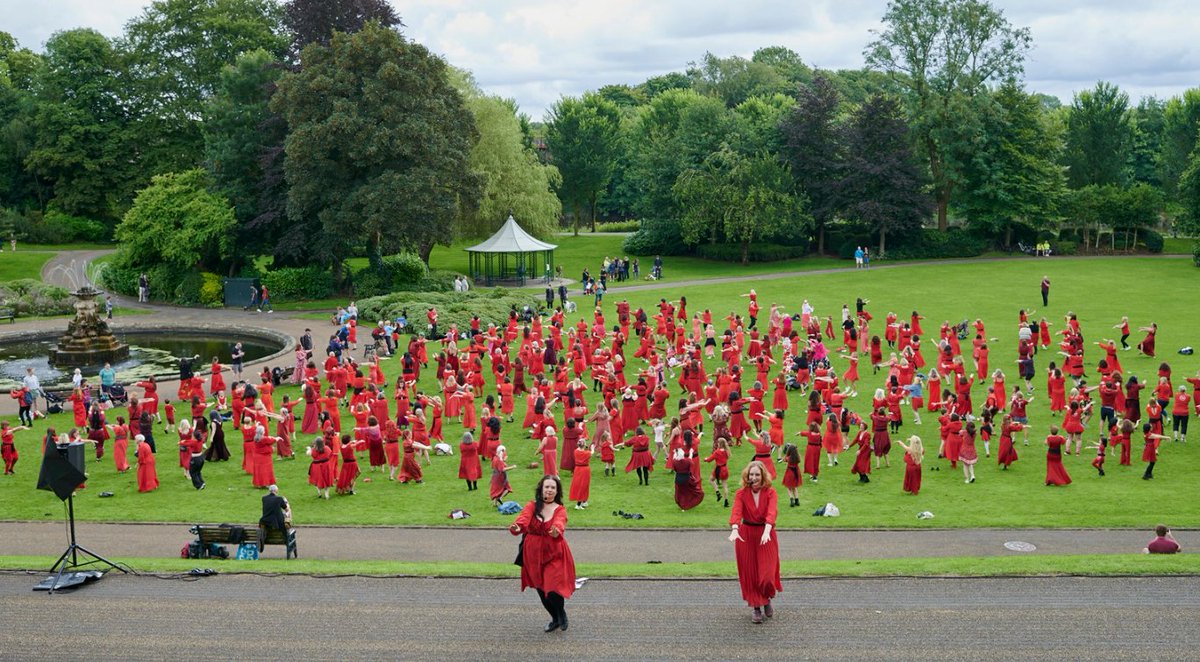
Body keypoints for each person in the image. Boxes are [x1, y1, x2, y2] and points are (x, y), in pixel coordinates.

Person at [509, 475, 577, 633]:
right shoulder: (532, 506)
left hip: (554, 552)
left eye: (553, 487)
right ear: (541, 489)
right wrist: (518, 527)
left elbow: (560, 522)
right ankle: (554, 619)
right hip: (532, 554)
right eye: (547, 487)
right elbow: (524, 519)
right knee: (541, 590)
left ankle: (562, 614)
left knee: (552, 587)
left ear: (557, 491)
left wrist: (556, 530)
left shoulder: (560, 509)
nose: (550, 490)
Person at [728, 460, 781, 624]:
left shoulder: (771, 493)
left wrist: (766, 531)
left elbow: (771, 513)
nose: (754, 477)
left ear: (763, 475)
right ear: (747, 476)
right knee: (751, 574)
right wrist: (735, 529)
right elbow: (736, 512)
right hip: (746, 536)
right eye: (751, 474)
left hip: (766, 534)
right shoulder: (741, 493)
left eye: (757, 474)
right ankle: (757, 607)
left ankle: (767, 599)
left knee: (766, 575)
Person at [258, 484, 291, 551]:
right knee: (289, 512)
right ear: (276, 491)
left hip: (265, 520)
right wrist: (286, 502)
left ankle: (263, 538)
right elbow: (286, 509)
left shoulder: (264, 498)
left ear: (269, 491)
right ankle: (287, 543)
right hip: (277, 522)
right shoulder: (279, 498)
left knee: (267, 521)